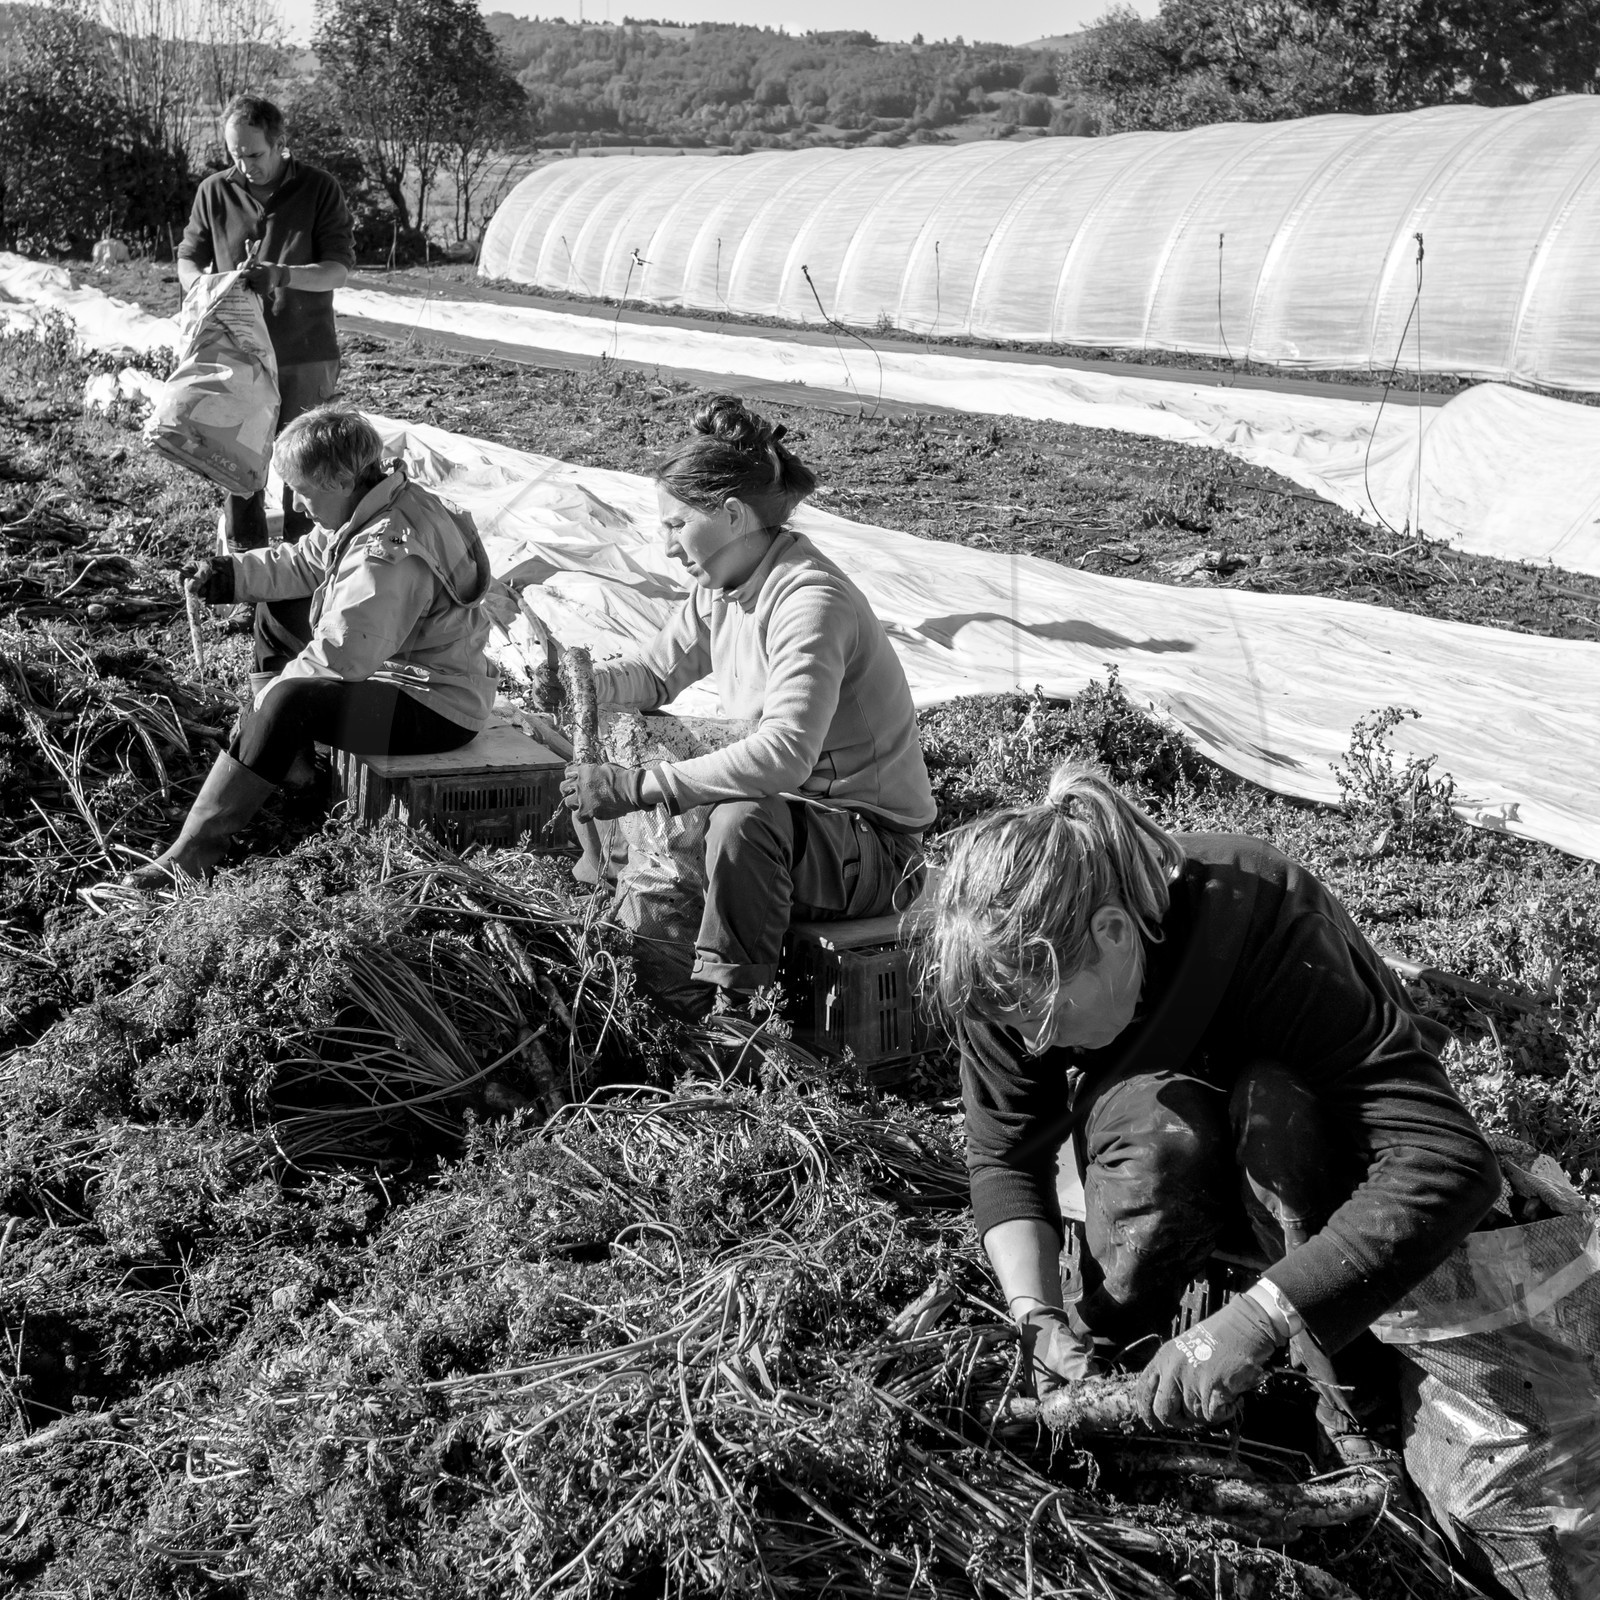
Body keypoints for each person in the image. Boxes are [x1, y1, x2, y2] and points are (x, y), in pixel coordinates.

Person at [915, 764, 1501, 1461]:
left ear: (1114, 933)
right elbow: (1004, 1154)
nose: (1036, 1045)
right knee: (1161, 1132)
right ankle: (1105, 1374)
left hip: (1322, 1154)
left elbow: (1446, 1158)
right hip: (1190, 1147)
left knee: (1275, 1110)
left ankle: (1355, 1412)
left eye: (1053, 1017)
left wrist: (1261, 1315)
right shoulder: (1006, 972)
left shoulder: (1262, 920)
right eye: (1018, 1028)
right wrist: (1035, 1317)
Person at [558, 396, 936, 1015]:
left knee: (737, 820)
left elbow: (785, 756)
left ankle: (734, 1013)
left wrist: (639, 786)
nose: (669, 546)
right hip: (798, 823)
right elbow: (655, 673)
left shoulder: (808, 602)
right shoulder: (723, 586)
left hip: (872, 849)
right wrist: (586, 689)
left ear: (731, 515)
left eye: (677, 525)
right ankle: (618, 919)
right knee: (629, 737)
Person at [123, 408, 496, 889]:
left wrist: (266, 702)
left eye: (302, 491)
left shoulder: (387, 552)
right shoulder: (376, 502)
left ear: (340, 479)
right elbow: (305, 561)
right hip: (400, 675)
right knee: (275, 610)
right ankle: (290, 764)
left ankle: (194, 849)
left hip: (435, 708)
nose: (297, 506)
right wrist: (231, 575)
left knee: (289, 700)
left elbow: (343, 656)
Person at [177, 92, 356, 652]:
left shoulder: (319, 189)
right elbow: (188, 256)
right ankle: (246, 584)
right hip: (239, 352)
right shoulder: (216, 191)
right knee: (241, 466)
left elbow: (338, 271)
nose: (243, 166)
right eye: (234, 154)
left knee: (306, 467)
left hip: (304, 350)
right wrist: (203, 287)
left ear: (280, 145)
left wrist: (280, 274)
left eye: (253, 155)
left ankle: (307, 587)